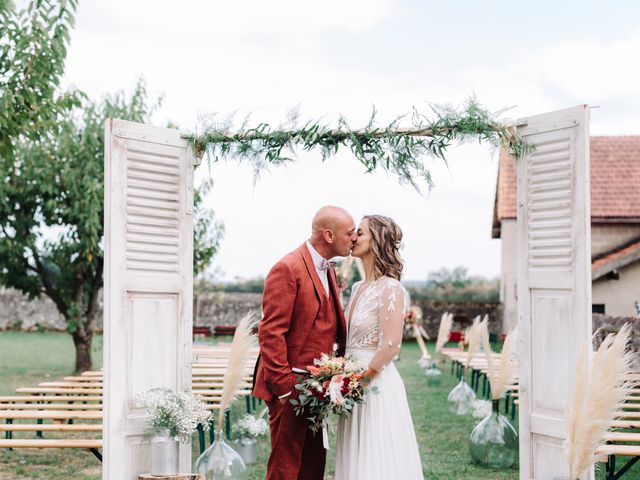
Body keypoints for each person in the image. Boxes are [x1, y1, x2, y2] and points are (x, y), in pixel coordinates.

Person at [253, 206, 357, 480]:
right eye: (349, 232)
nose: (354, 237)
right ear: (329, 235)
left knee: (313, 463)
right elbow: (271, 332)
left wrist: (329, 380)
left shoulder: (328, 270)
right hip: (289, 387)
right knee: (285, 467)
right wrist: (285, 388)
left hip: (318, 388)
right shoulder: (287, 268)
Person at [335, 214, 424, 480]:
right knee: (355, 459)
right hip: (351, 387)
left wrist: (360, 382)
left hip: (373, 388)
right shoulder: (357, 287)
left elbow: (391, 345)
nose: (353, 237)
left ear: (377, 240)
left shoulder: (391, 288)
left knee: (377, 461)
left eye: (359, 233)